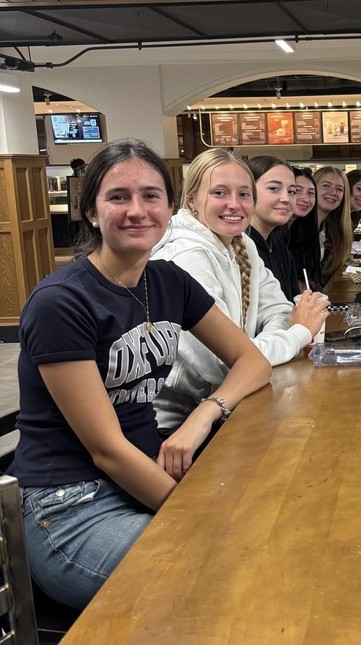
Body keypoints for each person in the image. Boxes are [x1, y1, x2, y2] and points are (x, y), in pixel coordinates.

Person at [10, 139, 271, 609]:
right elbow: (107, 451)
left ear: (171, 207)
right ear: (90, 211)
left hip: (146, 473)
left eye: (151, 196)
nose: (137, 210)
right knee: (224, 570)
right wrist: (193, 516)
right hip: (70, 507)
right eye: (118, 197)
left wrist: (203, 416)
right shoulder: (60, 303)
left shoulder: (168, 279)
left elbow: (252, 361)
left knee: (272, 524)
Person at [151, 149, 328, 435]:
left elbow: (279, 310)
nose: (234, 204)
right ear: (192, 200)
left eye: (244, 194)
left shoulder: (241, 243)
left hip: (222, 407)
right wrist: (298, 334)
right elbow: (226, 366)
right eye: (220, 193)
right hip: (175, 426)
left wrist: (264, 344)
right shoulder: (186, 256)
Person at [245, 155, 300, 301]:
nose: (286, 198)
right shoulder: (238, 247)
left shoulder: (278, 245)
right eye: (274, 188)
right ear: (247, 191)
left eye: (292, 191)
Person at [285, 166, 322, 290]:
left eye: (311, 193)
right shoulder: (272, 237)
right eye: (296, 191)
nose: (305, 199)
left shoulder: (303, 232)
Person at [313, 166, 351, 285]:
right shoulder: (296, 228)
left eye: (339, 189)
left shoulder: (331, 228)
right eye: (326, 185)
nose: (333, 192)